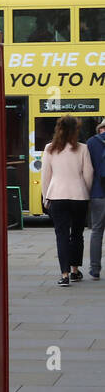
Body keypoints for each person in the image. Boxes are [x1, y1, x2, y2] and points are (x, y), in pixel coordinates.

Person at [42, 114, 94, 286]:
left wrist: (45, 196)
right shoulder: (82, 149)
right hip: (78, 196)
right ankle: (74, 270)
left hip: (57, 195)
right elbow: (88, 174)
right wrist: (85, 191)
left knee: (61, 235)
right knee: (77, 234)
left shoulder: (49, 148)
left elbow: (46, 176)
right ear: (75, 131)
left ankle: (64, 275)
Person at [88, 120, 105, 280]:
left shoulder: (91, 143)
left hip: (98, 193)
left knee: (97, 231)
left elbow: (87, 170)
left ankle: (95, 269)